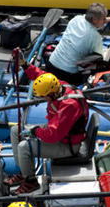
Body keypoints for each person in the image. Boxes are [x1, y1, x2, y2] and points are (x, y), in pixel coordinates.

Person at [8, 65, 89, 194]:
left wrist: (35, 131)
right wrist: (25, 65)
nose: (43, 99)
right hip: (60, 131)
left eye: (44, 97)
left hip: (67, 145)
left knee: (24, 146)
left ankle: (30, 182)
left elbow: (53, 135)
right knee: (15, 130)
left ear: (51, 94)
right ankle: (24, 173)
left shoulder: (69, 106)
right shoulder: (58, 86)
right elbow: (41, 76)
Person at [46, 3, 110, 85]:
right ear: (94, 20)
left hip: (51, 63)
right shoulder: (94, 36)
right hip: (67, 74)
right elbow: (101, 57)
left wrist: (105, 20)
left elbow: (88, 21)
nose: (104, 21)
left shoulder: (76, 19)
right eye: (103, 19)